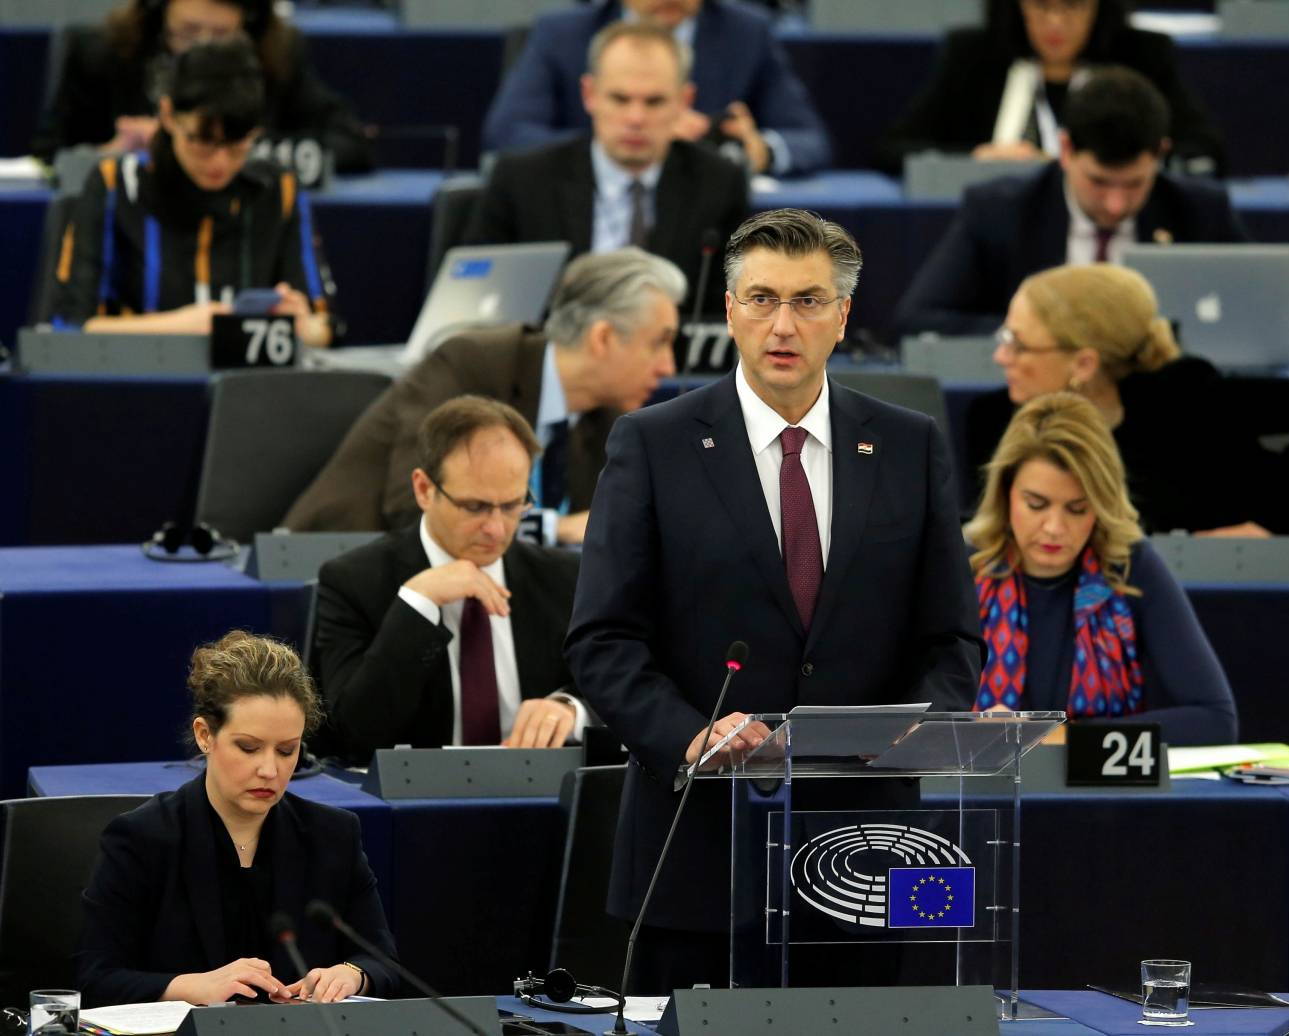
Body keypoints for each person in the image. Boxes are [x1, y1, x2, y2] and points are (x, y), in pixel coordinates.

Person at [565, 208, 982, 992]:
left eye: (808, 300)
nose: (782, 323)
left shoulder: (908, 444)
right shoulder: (653, 444)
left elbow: (952, 638)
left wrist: (910, 729)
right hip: (698, 857)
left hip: (869, 846)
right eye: (761, 299)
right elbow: (603, 640)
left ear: (843, 315)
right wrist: (691, 739)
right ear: (729, 312)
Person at [77, 632, 398, 1007]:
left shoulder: (333, 834)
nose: (269, 769)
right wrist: (189, 987)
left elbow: (382, 962)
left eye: (286, 750)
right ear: (204, 735)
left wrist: (352, 975)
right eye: (248, 747)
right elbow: (95, 979)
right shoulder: (141, 838)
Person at [282, 248, 683, 543]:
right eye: (659, 343)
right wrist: (555, 529)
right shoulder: (473, 363)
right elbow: (415, 507)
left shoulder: (608, 417)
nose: (668, 368)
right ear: (603, 338)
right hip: (339, 564)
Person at [964, 264, 1289, 534]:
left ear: (1083, 364)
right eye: (1004, 338)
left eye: (1018, 344)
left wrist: (1268, 521)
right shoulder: (992, 420)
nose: (1001, 356)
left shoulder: (1185, 398)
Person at [314, 397, 591, 763]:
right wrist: (417, 605)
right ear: (424, 489)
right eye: (475, 507)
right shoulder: (354, 583)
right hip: (417, 805)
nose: (496, 528)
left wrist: (570, 708)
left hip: (538, 796)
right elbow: (351, 736)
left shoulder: (564, 578)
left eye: (512, 506)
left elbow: (621, 690)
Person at [967, 392, 1237, 745]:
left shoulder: (1130, 566)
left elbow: (1216, 720)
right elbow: (901, 713)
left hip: (1099, 795)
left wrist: (1064, 739)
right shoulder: (965, 566)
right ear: (1005, 494)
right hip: (981, 793)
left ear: (1101, 508)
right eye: (1036, 504)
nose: (1054, 527)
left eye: (1077, 509)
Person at [895, 65, 1245, 336]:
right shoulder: (1000, 210)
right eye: (1099, 182)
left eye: (1134, 184)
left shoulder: (1200, 211)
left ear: (1160, 155)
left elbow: (1266, 318)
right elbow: (918, 318)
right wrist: (1040, 337)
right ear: (1065, 150)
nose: (1115, 205)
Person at [49, 37, 334, 347]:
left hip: (247, 390)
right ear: (168, 116)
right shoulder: (114, 185)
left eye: (238, 146)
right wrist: (185, 327)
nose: (220, 163)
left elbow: (327, 326)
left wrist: (305, 327)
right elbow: (70, 328)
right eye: (202, 142)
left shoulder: (281, 190)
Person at [467, 20, 749, 318]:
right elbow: (475, 302)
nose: (636, 118)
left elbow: (727, 309)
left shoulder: (718, 183)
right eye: (620, 99)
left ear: (684, 101)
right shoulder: (521, 180)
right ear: (589, 94)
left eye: (654, 101)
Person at [484, 0, 829, 175]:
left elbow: (809, 139)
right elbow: (509, 134)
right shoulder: (562, 34)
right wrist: (612, 144)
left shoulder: (748, 33)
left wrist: (759, 151)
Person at [881, 0, 1222, 174]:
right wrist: (975, 159)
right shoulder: (974, 56)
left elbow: (1205, 151)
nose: (1055, 22)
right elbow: (894, 149)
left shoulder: (1142, 57)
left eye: (1072, 5)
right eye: (1042, 5)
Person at [33, 0, 373, 175]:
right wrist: (110, 153)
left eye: (223, 36)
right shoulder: (101, 53)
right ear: (159, 13)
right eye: (188, 33)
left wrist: (232, 145)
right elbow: (46, 157)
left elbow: (350, 145)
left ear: (249, 26)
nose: (204, 48)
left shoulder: (276, 55)